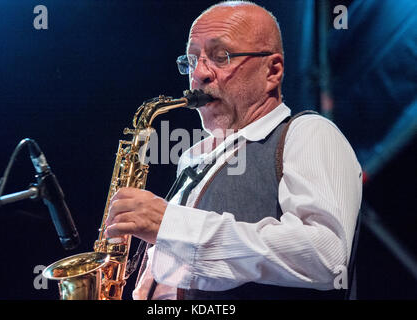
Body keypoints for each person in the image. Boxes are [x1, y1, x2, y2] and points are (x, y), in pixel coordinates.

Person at [104, 0, 362, 300]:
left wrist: (171, 224)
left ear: (273, 71)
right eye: (191, 60)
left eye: (220, 56)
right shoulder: (193, 159)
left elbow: (326, 254)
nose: (198, 73)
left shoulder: (309, 133)